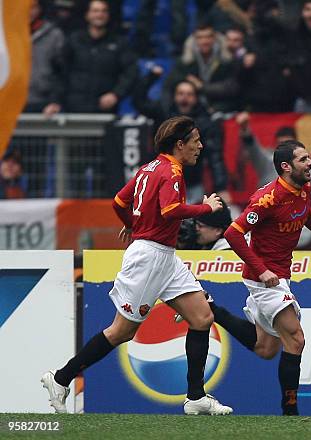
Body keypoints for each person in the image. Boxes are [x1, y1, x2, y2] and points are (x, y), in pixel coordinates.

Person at [41, 116, 233, 416]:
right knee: (121, 332)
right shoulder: (172, 171)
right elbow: (171, 210)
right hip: (150, 258)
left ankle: (196, 397)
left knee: (202, 317)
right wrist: (206, 207)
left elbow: (119, 201)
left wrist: (134, 225)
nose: (200, 145)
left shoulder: (149, 168)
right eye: (195, 140)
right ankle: (61, 379)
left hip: (164, 257)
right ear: (179, 144)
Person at [220, 140, 311, 415]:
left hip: (280, 275)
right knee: (296, 339)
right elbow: (232, 234)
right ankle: (290, 411)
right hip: (263, 279)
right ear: (286, 167)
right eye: (303, 159)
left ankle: (211, 309)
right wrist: (262, 270)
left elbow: (305, 212)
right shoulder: (268, 199)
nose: (310, 163)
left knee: (266, 349)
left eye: (309, 157)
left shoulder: (303, 188)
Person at [133, 65, 229, 203]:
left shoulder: (205, 122)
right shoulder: (163, 113)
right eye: (181, 93)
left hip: (192, 186)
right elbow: (139, 102)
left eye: (189, 94)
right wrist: (151, 78)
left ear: (196, 98)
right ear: (174, 96)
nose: (185, 98)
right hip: (161, 183)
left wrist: (221, 187)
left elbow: (215, 157)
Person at [46, 0, 138, 114]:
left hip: (105, 110)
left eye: (104, 11)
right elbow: (60, 73)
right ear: (87, 15)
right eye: (95, 11)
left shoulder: (119, 43)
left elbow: (131, 72)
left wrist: (116, 94)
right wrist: (55, 101)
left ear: (108, 15)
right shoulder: (74, 40)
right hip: (74, 109)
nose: (99, 14)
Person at [25, 0, 65, 115]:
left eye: (33, 7)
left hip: (44, 103)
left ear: (39, 9)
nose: (29, 11)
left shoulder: (54, 35)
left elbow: (62, 72)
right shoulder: (7, 35)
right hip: (10, 101)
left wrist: (55, 100)